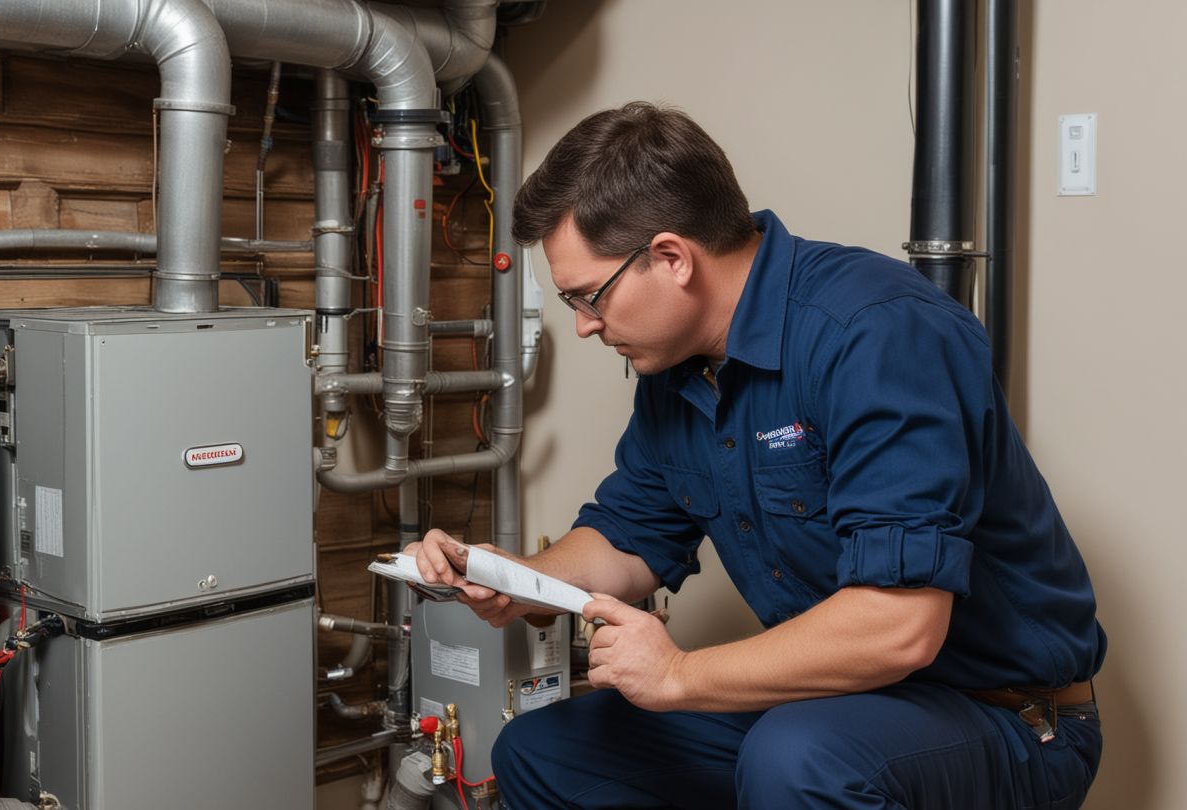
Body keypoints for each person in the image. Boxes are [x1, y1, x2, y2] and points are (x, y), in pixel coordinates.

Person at [407, 102, 1105, 809]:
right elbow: (628, 537)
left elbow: (899, 629)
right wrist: (512, 579)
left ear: (672, 258)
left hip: (1004, 718)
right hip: (833, 705)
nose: (585, 326)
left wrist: (676, 674)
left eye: (589, 297)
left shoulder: (877, 333)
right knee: (542, 752)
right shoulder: (676, 370)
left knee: (798, 758)